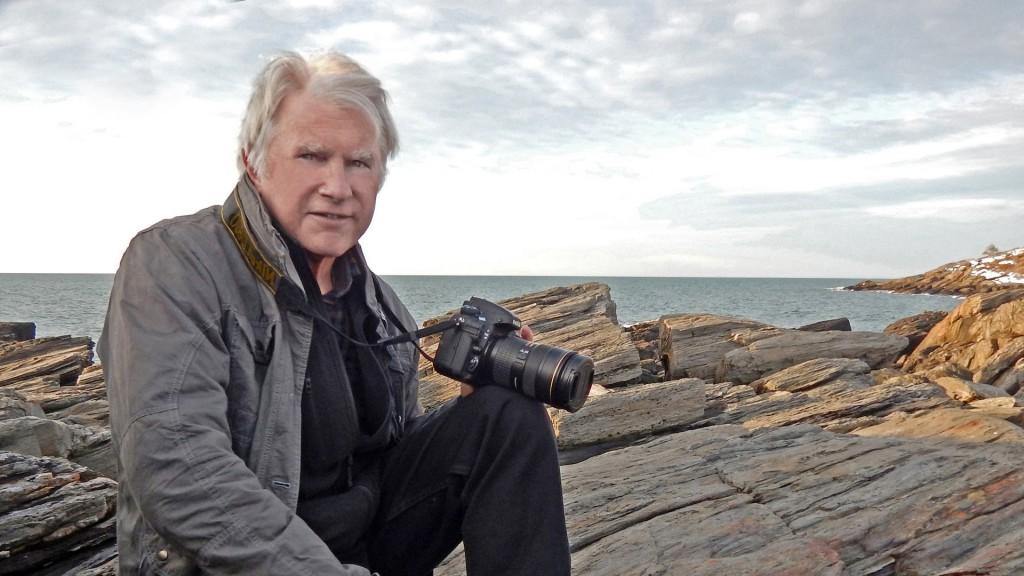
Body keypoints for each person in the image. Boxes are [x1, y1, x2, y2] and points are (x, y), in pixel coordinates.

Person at [99, 50, 571, 575]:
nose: (338, 187)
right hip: (241, 564)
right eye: (312, 156)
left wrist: (470, 411)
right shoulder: (174, 263)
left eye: (359, 163)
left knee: (507, 416)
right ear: (253, 162)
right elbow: (177, 468)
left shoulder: (380, 303)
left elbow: (390, 457)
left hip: (365, 549)